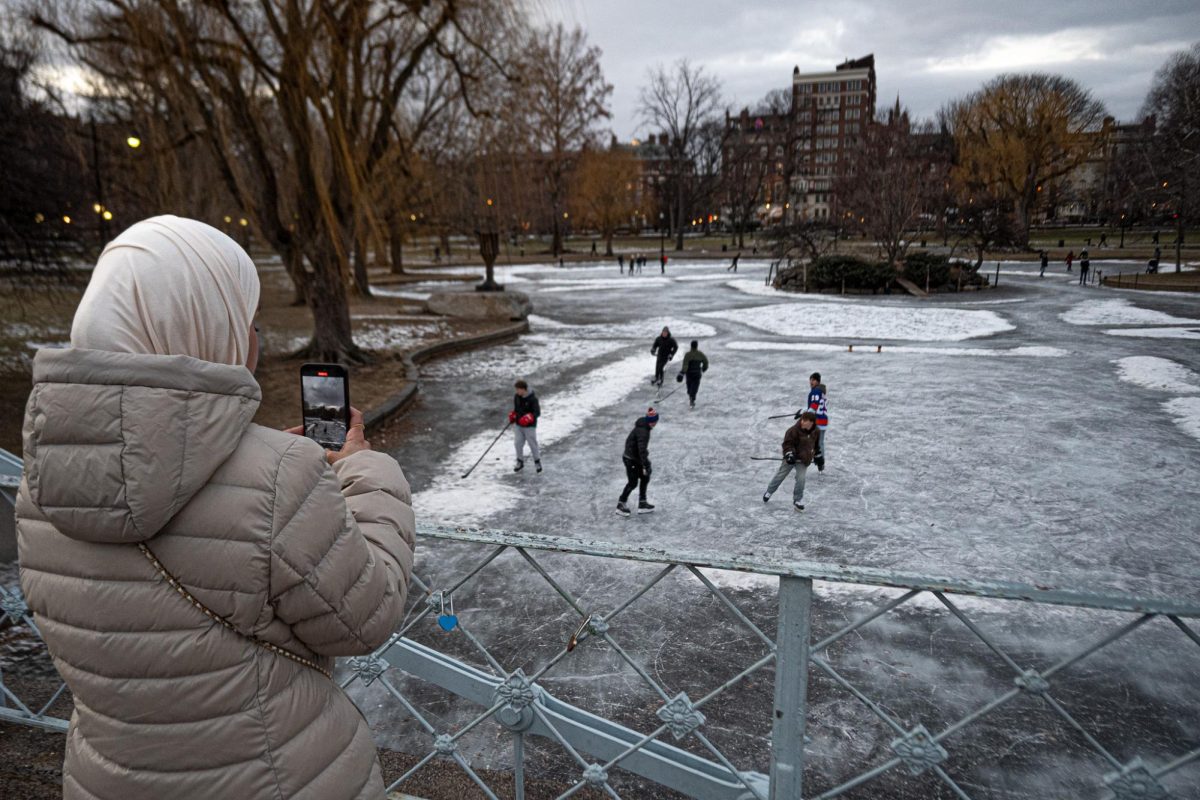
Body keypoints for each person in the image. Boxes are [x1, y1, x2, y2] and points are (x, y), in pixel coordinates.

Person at [15, 216, 415, 799]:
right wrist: (362, 467)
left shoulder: (37, 483)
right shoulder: (278, 475)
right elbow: (367, 613)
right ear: (200, 324)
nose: (255, 338)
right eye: (244, 319)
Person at [763, 411, 821, 511]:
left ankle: (797, 500)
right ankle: (769, 491)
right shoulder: (793, 430)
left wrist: (818, 456)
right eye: (802, 419)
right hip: (791, 458)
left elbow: (816, 446)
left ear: (811, 422)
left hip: (803, 460)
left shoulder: (816, 431)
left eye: (805, 421)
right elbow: (787, 445)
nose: (802, 422)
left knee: (801, 479)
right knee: (780, 475)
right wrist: (789, 454)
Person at [616, 407, 658, 516]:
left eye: (656, 421)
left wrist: (645, 464)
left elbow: (640, 449)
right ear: (650, 421)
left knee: (645, 476)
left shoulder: (644, 426)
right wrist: (645, 464)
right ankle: (621, 504)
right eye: (654, 421)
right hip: (630, 459)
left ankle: (642, 503)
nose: (655, 423)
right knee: (633, 482)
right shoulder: (643, 431)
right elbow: (641, 449)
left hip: (634, 457)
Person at [798, 372, 828, 472]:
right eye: (810, 380)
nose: (811, 382)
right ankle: (821, 462)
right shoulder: (821, 392)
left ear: (818, 381)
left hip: (817, 421)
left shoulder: (815, 392)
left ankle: (804, 457)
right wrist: (803, 410)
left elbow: (814, 406)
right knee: (820, 442)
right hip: (823, 420)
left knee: (805, 437)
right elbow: (815, 405)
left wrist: (803, 414)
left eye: (813, 380)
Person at [510, 379, 542, 473]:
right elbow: (516, 409)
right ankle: (520, 461)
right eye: (516, 390)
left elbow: (537, 412)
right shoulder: (516, 397)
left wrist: (530, 417)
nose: (517, 392)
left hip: (529, 426)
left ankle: (537, 461)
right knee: (517, 443)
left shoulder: (533, 399)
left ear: (524, 389)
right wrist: (513, 415)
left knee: (532, 443)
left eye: (518, 389)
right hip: (518, 425)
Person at [677, 340, 709, 409]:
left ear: (691, 346)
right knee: (695, 387)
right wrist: (704, 369)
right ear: (697, 346)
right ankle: (692, 399)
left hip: (689, 374)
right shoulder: (700, 354)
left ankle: (691, 398)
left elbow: (685, 365)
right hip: (697, 373)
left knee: (689, 387)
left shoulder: (688, 355)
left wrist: (682, 373)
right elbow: (706, 362)